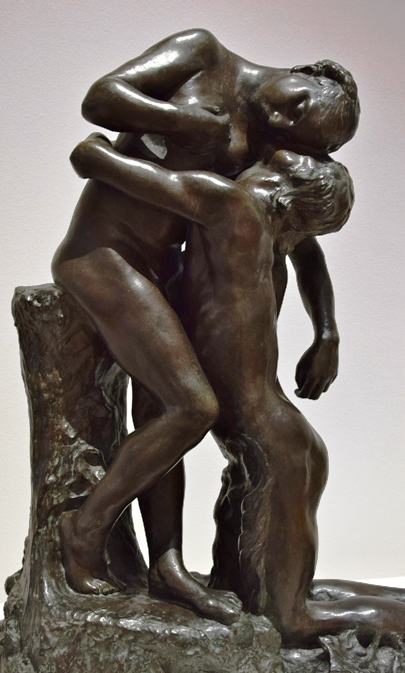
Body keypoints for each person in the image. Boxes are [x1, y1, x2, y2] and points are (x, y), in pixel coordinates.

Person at [69, 133, 405, 655]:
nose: (258, 162)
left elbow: (104, 163)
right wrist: (327, 332)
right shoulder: (261, 224)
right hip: (272, 445)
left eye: (275, 167)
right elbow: (308, 254)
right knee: (268, 593)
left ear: (282, 198)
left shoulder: (233, 207)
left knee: (291, 618)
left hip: (277, 454)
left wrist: (113, 141)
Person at [52, 29, 359, 624]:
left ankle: (166, 565)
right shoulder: (203, 54)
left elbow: (298, 238)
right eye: (297, 102)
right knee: (193, 407)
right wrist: (178, 121)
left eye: (294, 129)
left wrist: (326, 329)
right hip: (105, 254)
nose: (280, 117)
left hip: (161, 271)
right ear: (309, 71)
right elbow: (100, 100)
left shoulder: (260, 144)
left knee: (159, 411)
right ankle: (83, 528)